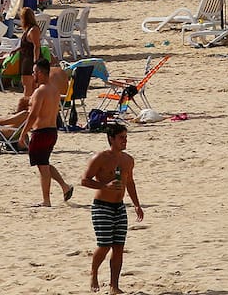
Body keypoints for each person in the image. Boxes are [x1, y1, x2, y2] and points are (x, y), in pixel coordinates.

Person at [81, 124, 145, 293]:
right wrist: (105, 185)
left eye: (126, 137)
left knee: (118, 247)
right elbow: (84, 180)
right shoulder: (101, 158)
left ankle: (114, 286)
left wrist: (137, 204)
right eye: (121, 137)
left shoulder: (128, 160)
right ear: (111, 139)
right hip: (102, 206)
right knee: (104, 245)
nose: (125, 140)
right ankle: (94, 273)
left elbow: (130, 182)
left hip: (119, 206)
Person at [20, 59, 74, 207]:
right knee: (44, 163)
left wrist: (23, 132)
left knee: (42, 168)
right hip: (52, 131)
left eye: (34, 72)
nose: (32, 75)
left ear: (40, 73)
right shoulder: (54, 90)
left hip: (41, 132)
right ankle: (65, 186)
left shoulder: (40, 91)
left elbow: (33, 115)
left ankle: (46, 200)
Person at [17, 7, 44, 97]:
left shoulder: (33, 30)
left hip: (30, 60)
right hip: (26, 58)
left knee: (28, 86)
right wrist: (17, 49)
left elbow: (36, 46)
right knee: (30, 86)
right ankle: (30, 106)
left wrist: (35, 62)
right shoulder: (29, 29)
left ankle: (27, 107)